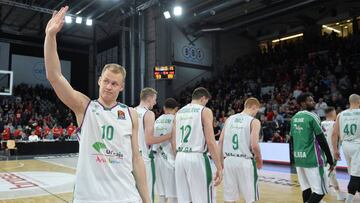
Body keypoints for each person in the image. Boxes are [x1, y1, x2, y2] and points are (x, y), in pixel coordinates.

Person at [44, 6, 149, 203]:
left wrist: (147, 199)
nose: (109, 86)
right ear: (100, 80)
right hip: (89, 197)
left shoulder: (130, 114)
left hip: (126, 197)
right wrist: (50, 36)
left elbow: (136, 159)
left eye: (114, 83)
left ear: (121, 87)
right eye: (106, 81)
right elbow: (54, 76)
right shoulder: (84, 107)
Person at [172, 87, 222, 202]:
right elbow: (210, 141)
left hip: (180, 157)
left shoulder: (179, 112)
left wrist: (179, 157)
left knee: (184, 199)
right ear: (203, 98)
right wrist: (219, 167)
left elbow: (173, 140)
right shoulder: (204, 111)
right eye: (206, 102)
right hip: (196, 157)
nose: (206, 104)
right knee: (203, 198)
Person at [290, 93, 334, 203]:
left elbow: (291, 140)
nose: (313, 102)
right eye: (310, 100)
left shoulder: (294, 118)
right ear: (303, 103)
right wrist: (329, 158)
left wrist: (293, 157)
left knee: (307, 189)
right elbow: (321, 139)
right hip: (312, 159)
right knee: (321, 191)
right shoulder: (312, 116)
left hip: (299, 159)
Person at [219, 97, 263, 203]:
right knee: (250, 199)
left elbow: (220, 142)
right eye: (257, 110)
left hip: (228, 160)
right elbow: (255, 146)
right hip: (245, 162)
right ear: (254, 107)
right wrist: (259, 160)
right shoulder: (254, 121)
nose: (256, 113)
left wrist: (220, 163)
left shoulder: (229, 119)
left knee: (230, 198)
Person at [135, 88, 172, 203]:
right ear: (149, 98)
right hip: (144, 160)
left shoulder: (131, 111)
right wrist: (170, 135)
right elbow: (149, 140)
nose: (155, 103)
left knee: (134, 195)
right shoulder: (149, 114)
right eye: (155, 99)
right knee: (147, 195)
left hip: (131, 159)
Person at [332, 94, 360, 203]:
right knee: (355, 175)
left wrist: (335, 150)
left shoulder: (341, 114)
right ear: (359, 101)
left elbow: (334, 134)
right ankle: (349, 200)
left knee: (354, 172)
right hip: (357, 145)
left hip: (346, 146)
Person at [154, 98, 178, 203]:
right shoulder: (175, 119)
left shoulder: (157, 120)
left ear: (164, 108)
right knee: (174, 194)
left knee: (161, 194)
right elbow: (174, 142)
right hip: (171, 159)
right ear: (176, 109)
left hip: (158, 159)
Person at [321, 107, 345, 200]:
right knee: (330, 173)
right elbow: (341, 137)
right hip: (332, 153)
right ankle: (320, 195)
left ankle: (338, 193)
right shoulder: (335, 124)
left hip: (321, 153)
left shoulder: (320, 123)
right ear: (333, 113)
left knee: (329, 173)